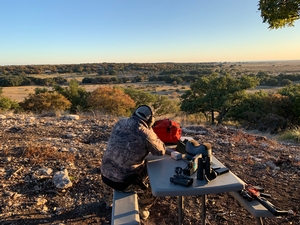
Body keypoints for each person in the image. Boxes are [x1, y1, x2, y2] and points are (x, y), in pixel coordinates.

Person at [100, 105, 166, 220]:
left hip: (105, 175)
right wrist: (151, 132)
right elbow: (160, 151)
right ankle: (142, 207)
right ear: (150, 121)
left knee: (115, 163)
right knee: (156, 176)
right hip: (124, 182)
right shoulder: (146, 134)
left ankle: (108, 200)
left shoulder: (120, 122)